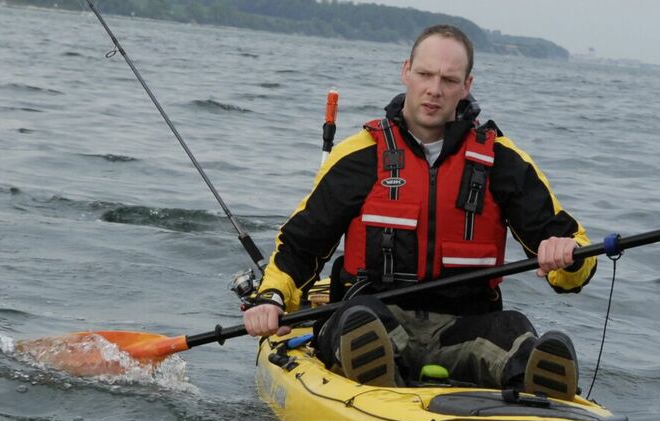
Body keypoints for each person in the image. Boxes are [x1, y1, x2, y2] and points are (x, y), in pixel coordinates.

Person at [240, 24, 594, 399]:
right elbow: (301, 247)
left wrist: (568, 257)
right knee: (356, 320)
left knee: (515, 330)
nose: (434, 89)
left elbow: (573, 265)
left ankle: (538, 388)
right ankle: (380, 384)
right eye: (425, 74)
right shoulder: (360, 155)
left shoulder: (503, 161)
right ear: (406, 71)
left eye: (449, 80)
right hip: (373, 321)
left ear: (466, 85)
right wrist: (272, 298)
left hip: (466, 329)